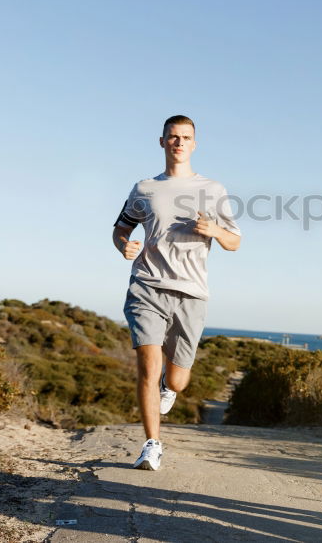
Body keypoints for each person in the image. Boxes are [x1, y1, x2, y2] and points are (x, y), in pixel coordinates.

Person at [112, 115, 241, 471]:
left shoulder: (212, 190)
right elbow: (120, 228)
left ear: (194, 144)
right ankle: (152, 444)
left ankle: (171, 387)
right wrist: (123, 245)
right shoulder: (144, 189)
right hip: (147, 286)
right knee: (147, 366)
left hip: (191, 293)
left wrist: (214, 229)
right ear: (162, 142)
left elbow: (235, 242)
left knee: (178, 379)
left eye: (186, 138)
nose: (179, 143)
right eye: (173, 137)